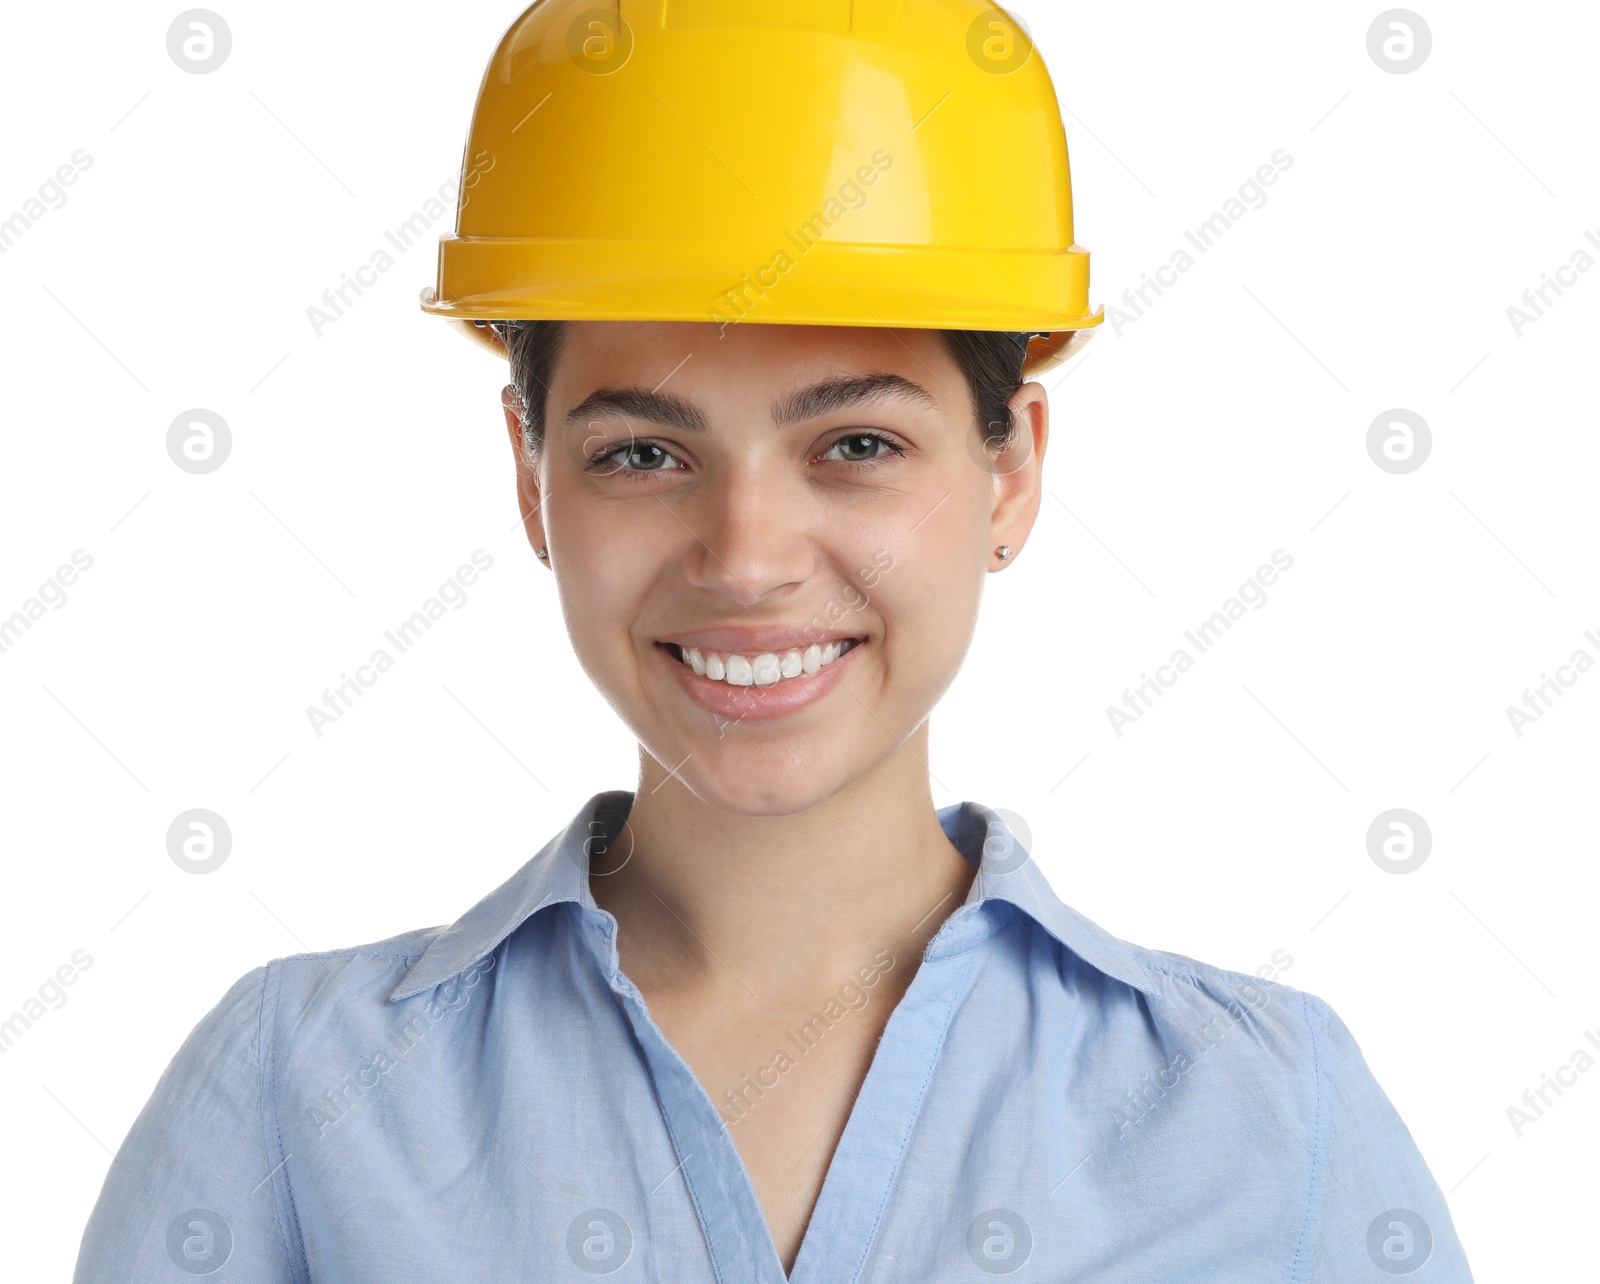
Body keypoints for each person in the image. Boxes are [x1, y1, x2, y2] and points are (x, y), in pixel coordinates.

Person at [73, 2, 1473, 1280]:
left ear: (1012, 471)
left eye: (856, 444)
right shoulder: (296, 1105)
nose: (745, 557)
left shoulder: (1270, 1124)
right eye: (639, 454)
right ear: (528, 476)